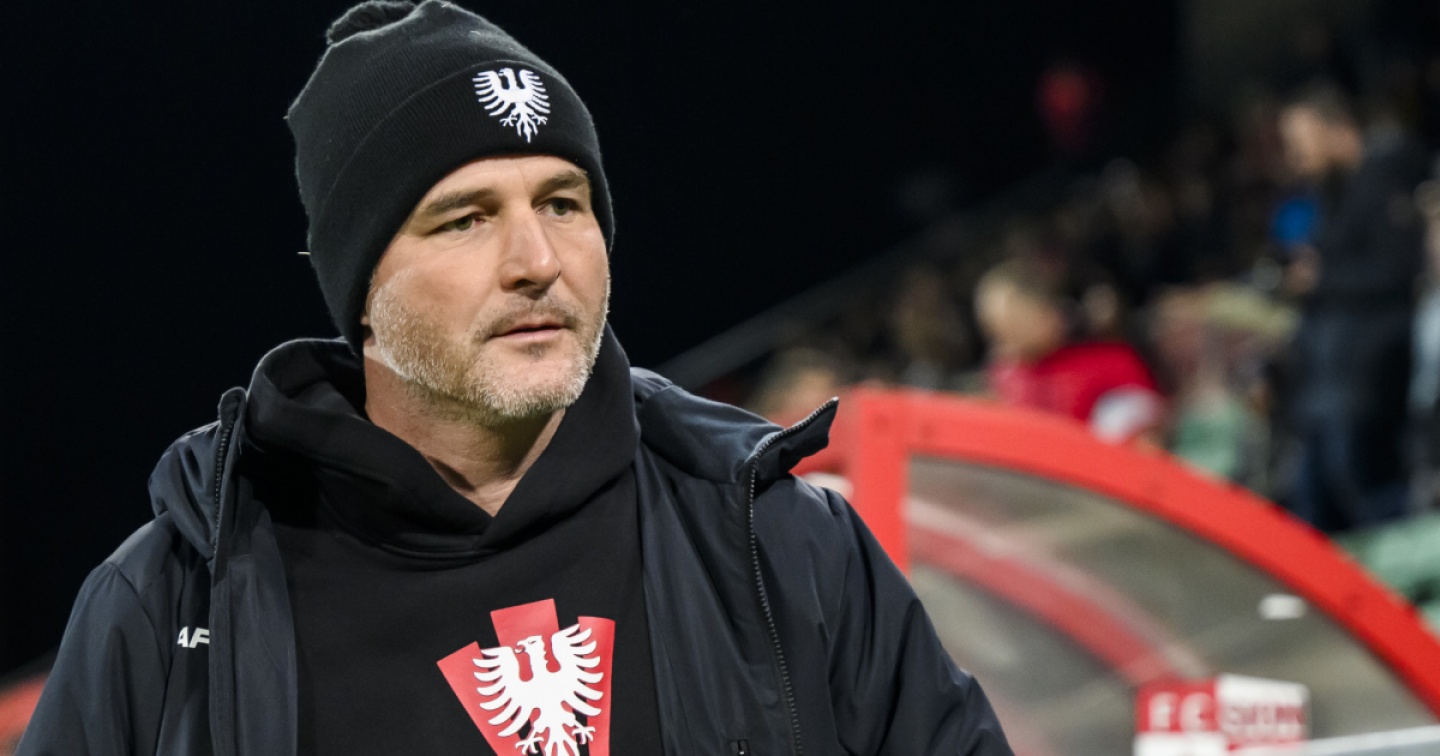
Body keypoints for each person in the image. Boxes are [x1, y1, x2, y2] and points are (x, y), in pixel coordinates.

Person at [16, 2, 1011, 755]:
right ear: (362, 289)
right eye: (466, 218)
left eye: (565, 203)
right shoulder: (170, 608)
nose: (538, 260)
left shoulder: (779, 540)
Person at [1276, 80, 1426, 532]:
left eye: (1301, 141)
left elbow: (1397, 274)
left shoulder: (1384, 179)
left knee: (1365, 494)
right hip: (1330, 382)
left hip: (1370, 375)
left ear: (1338, 130)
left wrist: (1323, 278)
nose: (1295, 155)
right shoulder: (1330, 193)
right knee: (1312, 495)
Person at [975, 257, 1164, 444]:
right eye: (994, 328)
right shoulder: (1001, 378)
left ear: (1048, 310)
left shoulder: (1113, 362)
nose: (1004, 337)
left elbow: (1147, 441)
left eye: (1014, 322)